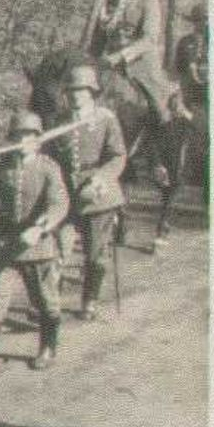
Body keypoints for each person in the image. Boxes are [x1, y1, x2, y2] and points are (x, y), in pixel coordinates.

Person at [0, 111, 71, 377]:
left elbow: (59, 203)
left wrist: (41, 227)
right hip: (5, 247)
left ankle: (48, 347)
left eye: (28, 136)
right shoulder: (2, 166)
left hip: (37, 247)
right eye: (18, 136)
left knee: (46, 302)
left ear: (38, 140)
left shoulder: (49, 167)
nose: (23, 140)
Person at [49, 64, 127, 321]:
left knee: (95, 254)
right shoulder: (58, 122)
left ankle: (89, 300)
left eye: (81, 90)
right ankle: (52, 301)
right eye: (71, 90)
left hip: (98, 196)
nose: (75, 95)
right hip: (66, 197)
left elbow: (118, 156)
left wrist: (101, 178)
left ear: (92, 92)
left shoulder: (105, 118)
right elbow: (49, 159)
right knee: (58, 248)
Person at [93, 0, 174, 191]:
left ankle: (159, 161)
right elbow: (98, 39)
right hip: (109, 65)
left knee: (160, 109)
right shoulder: (108, 2)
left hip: (140, 65)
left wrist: (122, 55)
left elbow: (149, 38)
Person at [169, 3, 209, 223]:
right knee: (180, 145)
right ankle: (176, 191)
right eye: (199, 21)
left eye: (206, 20)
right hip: (190, 100)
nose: (202, 25)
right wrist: (177, 97)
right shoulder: (186, 44)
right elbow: (176, 73)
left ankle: (210, 200)